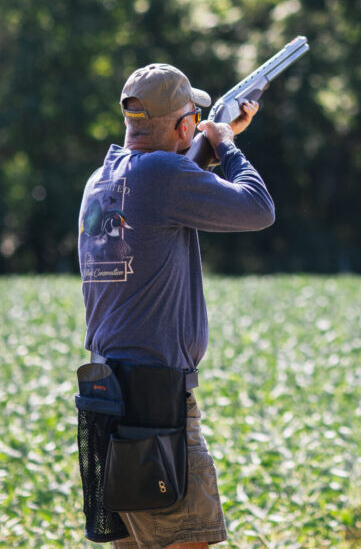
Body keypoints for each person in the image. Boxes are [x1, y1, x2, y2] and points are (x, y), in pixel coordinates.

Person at [78, 62, 276, 549]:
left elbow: (165, 193)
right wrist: (226, 143)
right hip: (158, 405)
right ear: (184, 124)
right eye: (194, 116)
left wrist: (202, 148)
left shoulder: (101, 181)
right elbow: (258, 208)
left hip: (107, 402)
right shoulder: (165, 174)